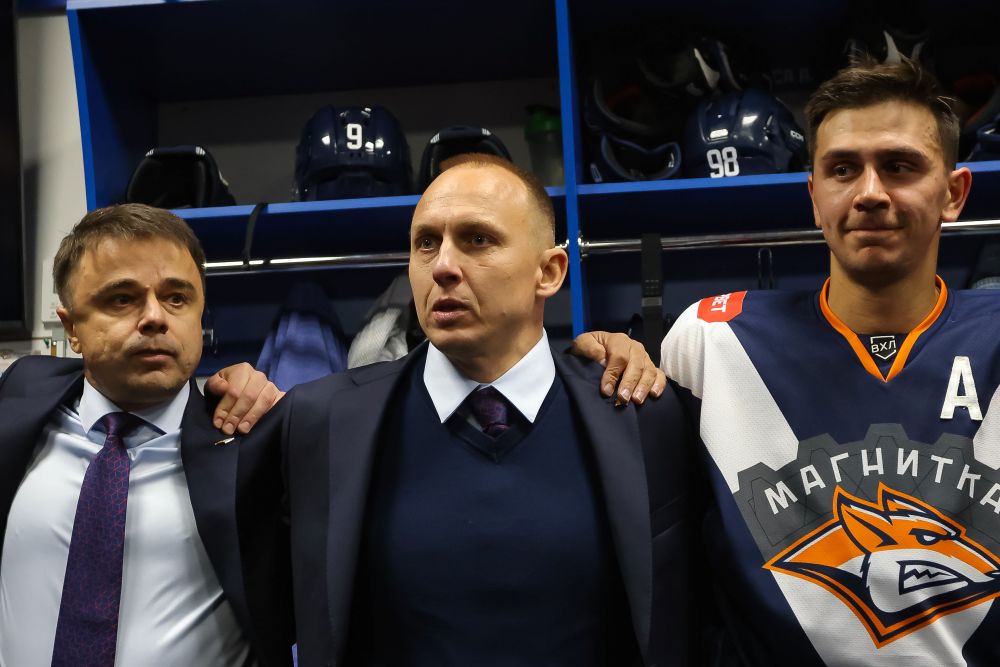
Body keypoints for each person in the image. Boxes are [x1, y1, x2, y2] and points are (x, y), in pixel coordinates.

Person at [250, 153, 699, 666]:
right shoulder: (317, 422)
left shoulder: (644, 415)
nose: (442, 266)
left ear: (549, 272)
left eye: (477, 239)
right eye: (426, 243)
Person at [661, 58, 1000, 665]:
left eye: (899, 166)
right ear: (815, 197)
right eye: (843, 169)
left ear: (954, 194)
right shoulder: (712, 340)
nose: (869, 194)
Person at [0, 204, 291, 666]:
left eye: (177, 298)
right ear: (72, 327)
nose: (155, 317)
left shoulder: (256, 441)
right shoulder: (20, 397)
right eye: (122, 299)